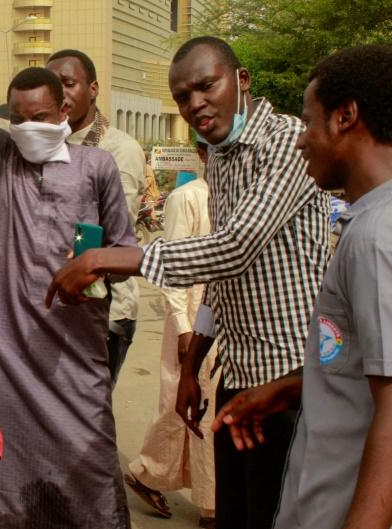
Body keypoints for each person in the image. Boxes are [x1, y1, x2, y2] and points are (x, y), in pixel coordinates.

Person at [46, 36, 331, 529]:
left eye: (206, 86)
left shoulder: (285, 140)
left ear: (241, 80)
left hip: (290, 381)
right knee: (238, 514)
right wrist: (194, 362)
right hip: (239, 374)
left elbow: (237, 245)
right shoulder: (221, 154)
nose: (195, 104)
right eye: (182, 97)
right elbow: (224, 270)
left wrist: (110, 258)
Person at [0, 14, 136, 528]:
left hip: (73, 352)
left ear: (64, 111)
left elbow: (125, 251)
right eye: (18, 117)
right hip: (6, 349)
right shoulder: (0, 154)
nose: (28, 127)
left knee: (89, 463)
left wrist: (94, 273)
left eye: (39, 116)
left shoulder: (96, 166)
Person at [212, 44, 392, 529]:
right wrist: (291, 389)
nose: (300, 141)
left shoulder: (378, 237)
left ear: (346, 117)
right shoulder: (365, 222)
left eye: (309, 123)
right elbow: (362, 372)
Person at [126, 143, 218, 527]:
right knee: (186, 403)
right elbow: (173, 263)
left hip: (222, 314)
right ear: (202, 151)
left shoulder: (242, 195)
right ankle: (212, 505)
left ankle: (149, 473)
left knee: (209, 406)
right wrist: (182, 325)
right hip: (191, 315)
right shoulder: (186, 197)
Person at [46, 48, 146, 383]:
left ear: (93, 89)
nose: (60, 94)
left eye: (69, 83)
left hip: (106, 311)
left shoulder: (118, 149)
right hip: (54, 306)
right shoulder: (45, 148)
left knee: (86, 417)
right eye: (52, 85)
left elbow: (117, 233)